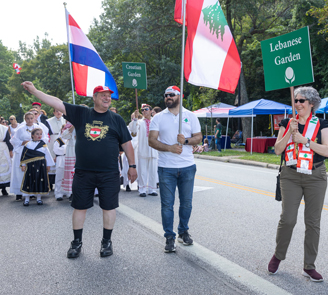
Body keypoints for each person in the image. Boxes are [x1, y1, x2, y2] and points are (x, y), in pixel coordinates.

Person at [21, 82, 137, 259]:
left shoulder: (117, 119)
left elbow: (127, 144)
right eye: (103, 95)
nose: (107, 97)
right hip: (84, 172)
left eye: (109, 95)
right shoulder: (82, 113)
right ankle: (76, 243)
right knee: (79, 207)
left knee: (109, 207)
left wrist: (132, 166)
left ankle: (106, 242)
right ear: (95, 98)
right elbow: (56, 103)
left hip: (109, 173)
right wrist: (35, 91)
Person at [267, 86, 328, 282]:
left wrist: (305, 140)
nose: (297, 103)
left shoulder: (322, 123)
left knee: (313, 222)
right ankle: (278, 255)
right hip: (291, 175)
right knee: (288, 219)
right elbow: (277, 150)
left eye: (301, 100)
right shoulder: (287, 122)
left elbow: (327, 151)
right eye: (295, 100)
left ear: (311, 103)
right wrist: (289, 133)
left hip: (315, 175)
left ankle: (309, 266)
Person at [148, 86, 202, 253]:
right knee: (167, 205)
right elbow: (151, 140)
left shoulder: (190, 116)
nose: (168, 97)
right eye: (166, 95)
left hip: (187, 166)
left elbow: (199, 137)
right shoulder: (158, 117)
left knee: (186, 204)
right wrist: (169, 148)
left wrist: (185, 141)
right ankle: (169, 237)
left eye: (172, 95)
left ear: (180, 96)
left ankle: (183, 231)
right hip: (166, 168)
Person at [10, 111, 49, 201]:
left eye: (31, 118)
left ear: (34, 118)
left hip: (35, 152)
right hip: (22, 152)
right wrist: (22, 142)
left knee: (33, 172)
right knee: (20, 172)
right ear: (25, 119)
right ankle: (19, 193)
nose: (30, 120)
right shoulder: (20, 129)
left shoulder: (39, 127)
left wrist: (36, 142)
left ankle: (32, 191)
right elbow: (13, 140)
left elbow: (44, 138)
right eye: (28, 118)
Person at [20, 128, 55, 206]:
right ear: (32, 135)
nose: (39, 136)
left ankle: (39, 198)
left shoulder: (43, 144)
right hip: (30, 166)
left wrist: (48, 165)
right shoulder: (28, 144)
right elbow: (24, 156)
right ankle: (27, 199)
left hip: (41, 165)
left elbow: (48, 156)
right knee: (29, 180)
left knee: (40, 180)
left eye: (40, 134)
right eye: (37, 134)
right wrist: (23, 165)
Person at [130, 104, 158, 197]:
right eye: (142, 110)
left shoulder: (155, 121)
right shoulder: (139, 122)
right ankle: (142, 189)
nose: (144, 111)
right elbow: (133, 131)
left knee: (153, 171)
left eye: (146, 109)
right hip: (142, 149)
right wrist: (135, 119)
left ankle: (152, 189)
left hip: (154, 150)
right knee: (142, 171)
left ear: (150, 111)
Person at [61, 122, 76, 201]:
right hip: (72, 150)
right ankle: (72, 193)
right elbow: (64, 135)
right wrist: (73, 126)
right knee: (71, 173)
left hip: (84, 149)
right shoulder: (70, 124)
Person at [0, 123, 13, 196]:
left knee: (3, 169)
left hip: (3, 149)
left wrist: (10, 151)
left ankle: (3, 189)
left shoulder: (4, 128)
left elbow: (8, 140)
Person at [53, 135, 67, 201]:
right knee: (59, 177)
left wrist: (62, 148)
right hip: (60, 160)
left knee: (68, 177)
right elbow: (56, 151)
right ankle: (58, 193)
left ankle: (67, 192)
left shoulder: (72, 139)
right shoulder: (58, 140)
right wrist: (66, 149)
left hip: (69, 159)